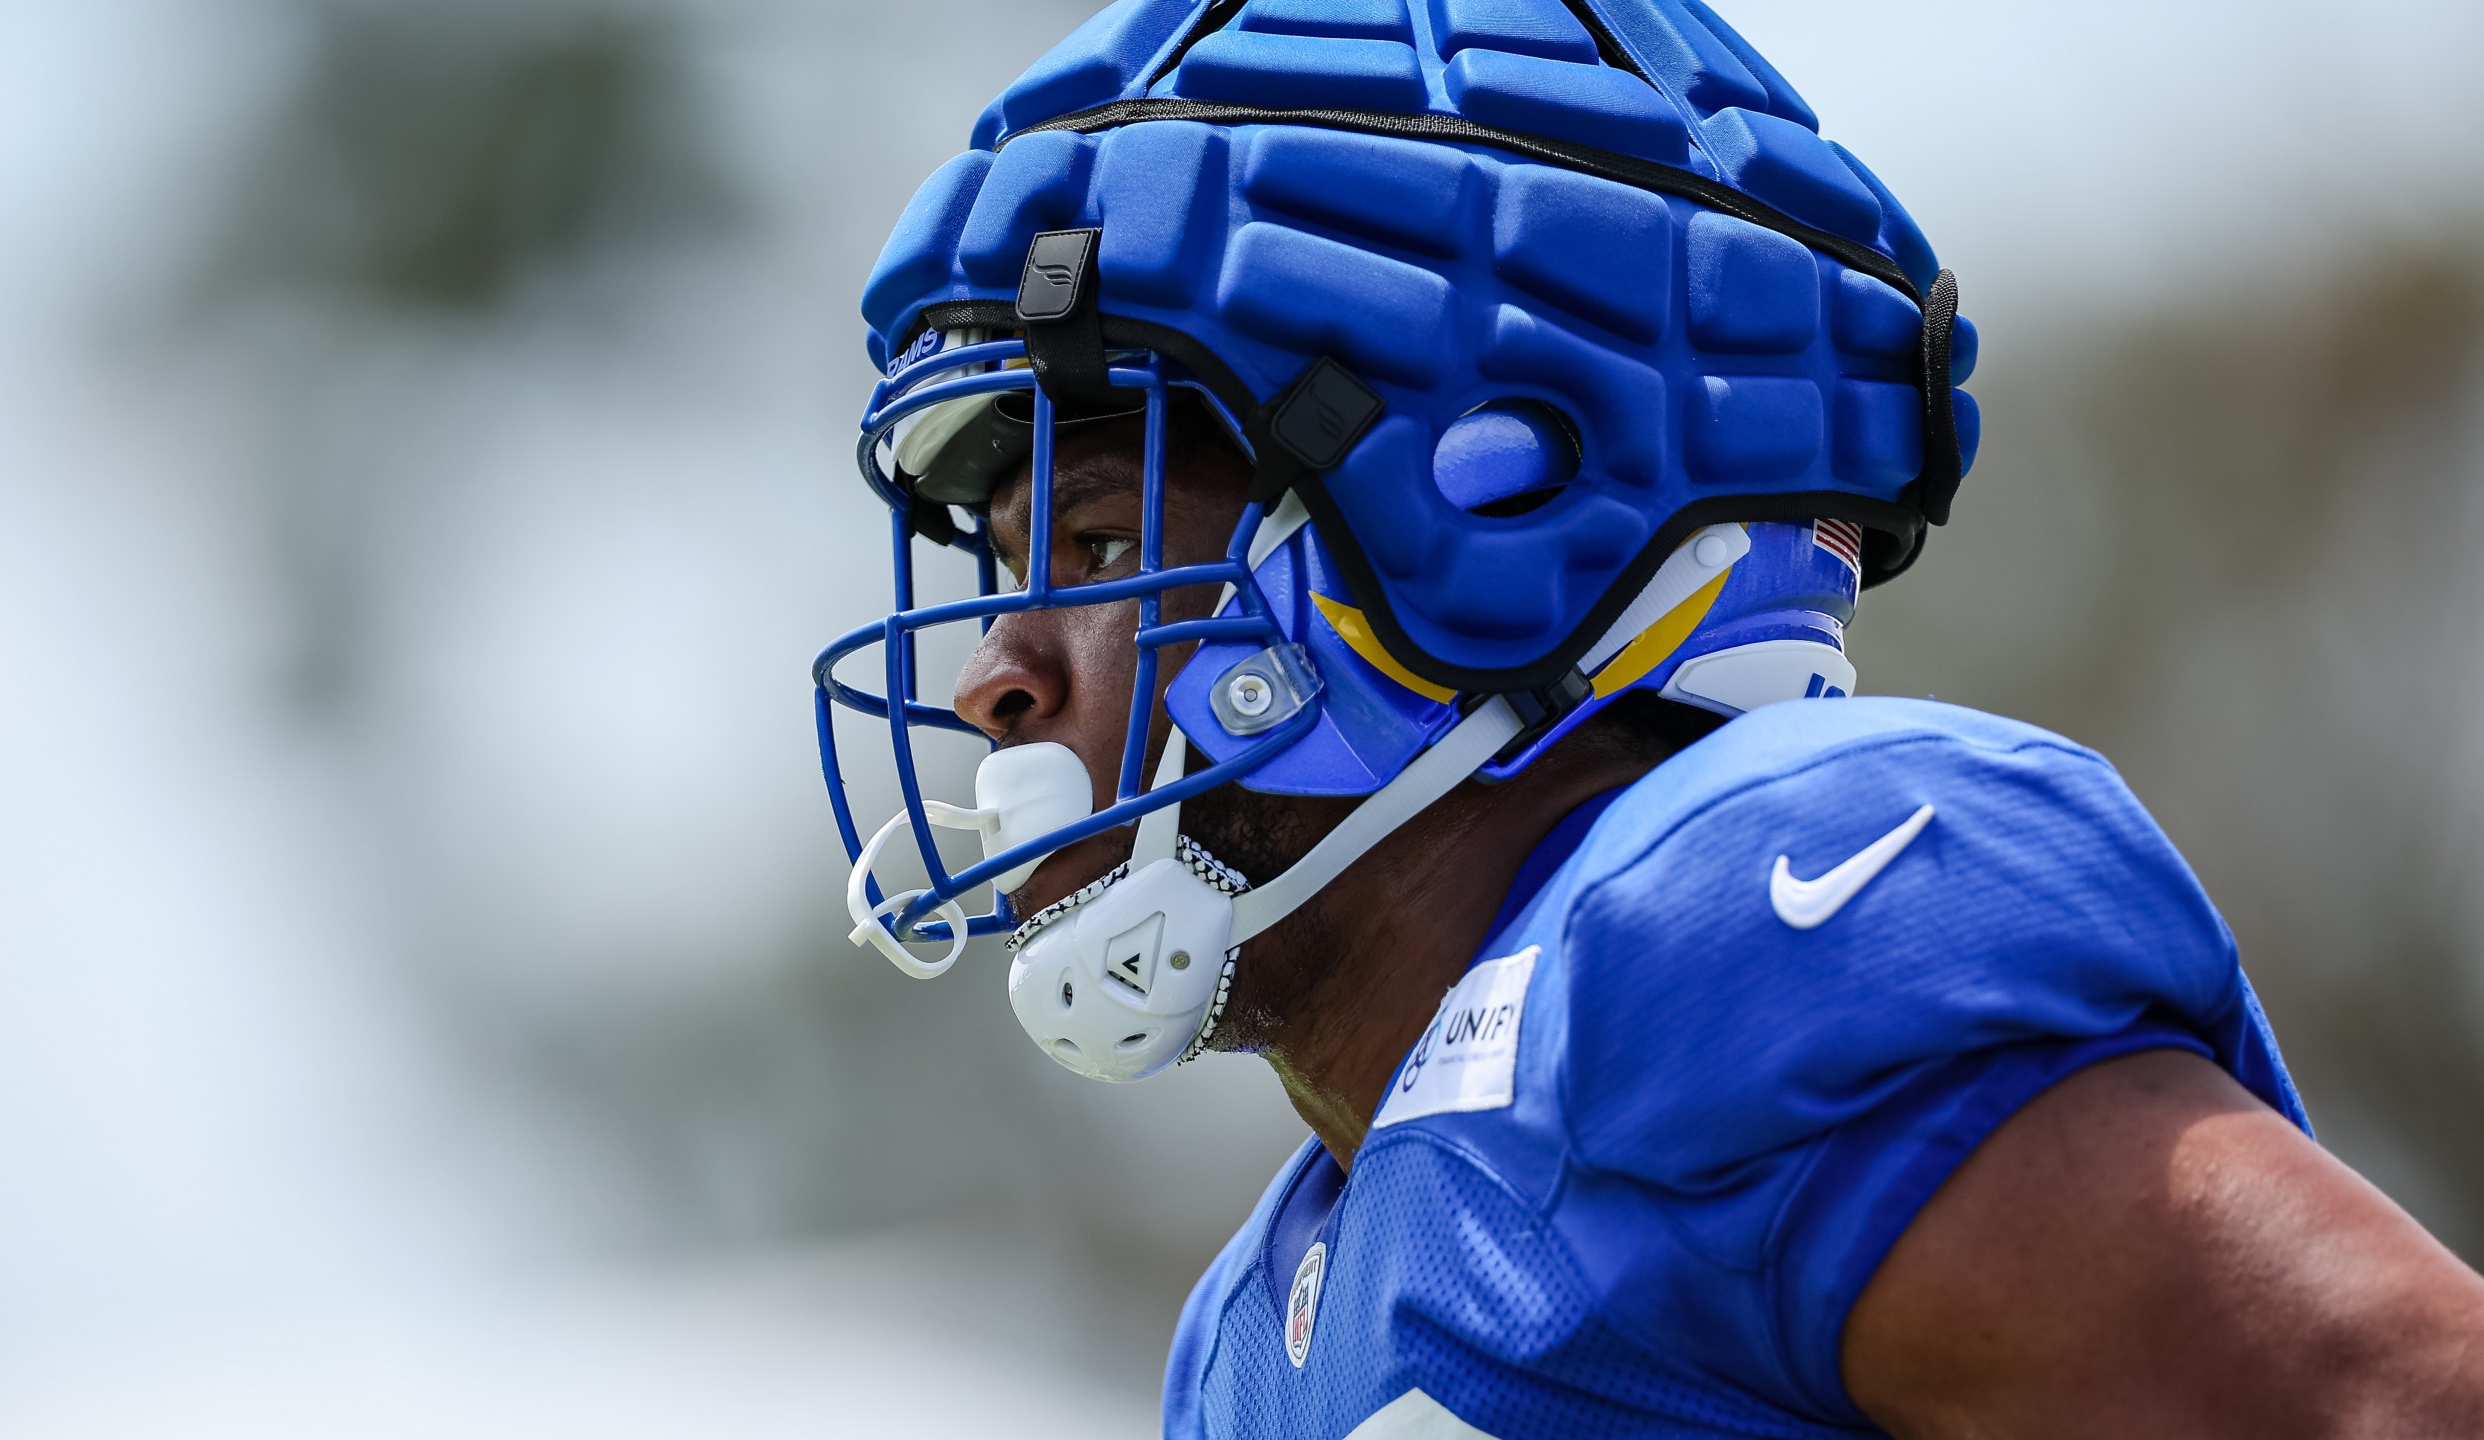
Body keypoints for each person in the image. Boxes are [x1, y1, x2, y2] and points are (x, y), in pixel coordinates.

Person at [813, 1, 2484, 1434]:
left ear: (1481, 504)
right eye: (1008, 559)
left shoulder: (1746, 939)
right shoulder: (1262, 1325)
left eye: (1098, 541)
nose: (992, 677)